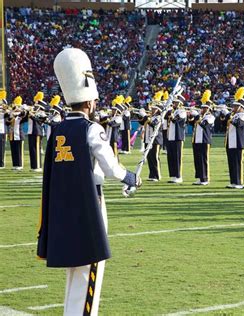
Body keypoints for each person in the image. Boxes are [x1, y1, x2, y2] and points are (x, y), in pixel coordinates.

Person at [36, 48, 141, 316]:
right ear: (91, 102)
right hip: (89, 204)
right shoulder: (92, 129)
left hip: (63, 206)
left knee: (75, 270)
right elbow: (109, 167)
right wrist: (130, 178)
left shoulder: (57, 130)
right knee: (90, 268)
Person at [222, 87, 244, 189]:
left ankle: (239, 182)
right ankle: (233, 181)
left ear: (240, 107)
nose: (233, 107)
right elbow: (224, 123)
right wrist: (224, 115)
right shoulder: (234, 115)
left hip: (238, 142)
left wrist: (229, 115)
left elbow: (237, 124)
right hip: (231, 142)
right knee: (231, 163)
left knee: (238, 163)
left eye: (235, 106)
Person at [188, 90, 215, 185]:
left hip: (204, 140)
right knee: (197, 160)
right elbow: (191, 123)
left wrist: (197, 116)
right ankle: (199, 177)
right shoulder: (200, 116)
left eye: (204, 108)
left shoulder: (210, 117)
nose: (202, 109)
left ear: (208, 109)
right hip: (196, 140)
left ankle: (205, 178)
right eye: (202, 108)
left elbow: (204, 124)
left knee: (204, 160)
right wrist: (190, 115)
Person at [139, 91, 164, 182]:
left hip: (156, 140)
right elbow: (142, 122)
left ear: (158, 110)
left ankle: (157, 175)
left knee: (155, 157)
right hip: (148, 139)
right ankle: (152, 175)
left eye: (154, 109)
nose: (152, 110)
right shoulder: (150, 116)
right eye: (152, 108)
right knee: (149, 157)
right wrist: (140, 115)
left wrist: (145, 116)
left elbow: (153, 123)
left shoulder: (159, 117)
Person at [166, 91, 187, 183]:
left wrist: (171, 114)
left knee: (177, 157)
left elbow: (175, 120)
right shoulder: (171, 111)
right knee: (171, 157)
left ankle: (179, 176)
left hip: (178, 137)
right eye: (173, 102)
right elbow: (165, 117)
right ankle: (173, 175)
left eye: (175, 102)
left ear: (180, 103)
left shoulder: (182, 111)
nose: (173, 104)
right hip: (170, 137)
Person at [27, 92, 47, 172]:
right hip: (31, 131)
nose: (35, 107)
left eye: (37, 106)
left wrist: (32, 115)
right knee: (32, 149)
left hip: (37, 132)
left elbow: (40, 121)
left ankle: (38, 166)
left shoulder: (42, 113)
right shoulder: (33, 112)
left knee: (36, 149)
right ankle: (33, 166)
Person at [8, 96, 27, 170]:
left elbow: (24, 114)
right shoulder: (12, 115)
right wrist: (12, 112)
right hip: (12, 135)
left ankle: (20, 165)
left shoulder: (21, 115)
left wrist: (19, 109)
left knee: (19, 150)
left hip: (19, 135)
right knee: (13, 150)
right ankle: (15, 165)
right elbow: (7, 122)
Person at [0, 91, 8, 169]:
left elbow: (6, 109)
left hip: (2, 129)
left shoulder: (4, 102)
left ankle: (1, 164)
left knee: (1, 148)